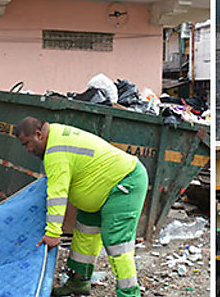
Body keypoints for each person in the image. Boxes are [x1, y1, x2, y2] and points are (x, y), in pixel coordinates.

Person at [17, 117, 148, 297]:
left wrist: (53, 232)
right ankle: (78, 282)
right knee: (84, 234)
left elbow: (57, 195)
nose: (28, 150)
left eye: (27, 144)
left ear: (38, 135)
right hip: (102, 188)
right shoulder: (55, 136)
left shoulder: (55, 151)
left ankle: (129, 293)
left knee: (117, 242)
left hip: (124, 183)